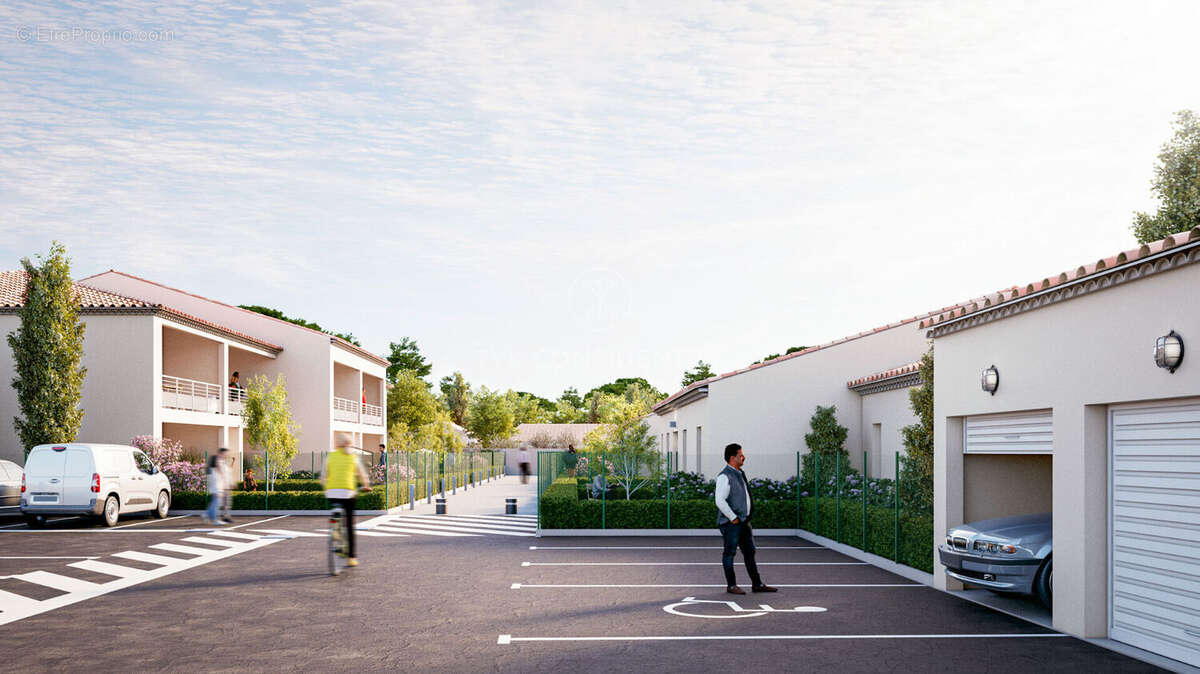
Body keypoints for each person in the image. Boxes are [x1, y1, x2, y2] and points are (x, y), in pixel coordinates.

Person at [715, 443, 776, 595]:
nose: (744, 457)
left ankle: (757, 584)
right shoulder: (724, 476)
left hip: (744, 522)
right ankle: (731, 586)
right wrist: (733, 517)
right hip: (732, 523)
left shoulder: (740, 473)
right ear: (732, 458)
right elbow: (719, 500)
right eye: (740, 455)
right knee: (729, 553)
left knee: (750, 552)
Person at [322, 432, 371, 567]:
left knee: (336, 512)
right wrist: (366, 485)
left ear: (337, 444)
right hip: (348, 493)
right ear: (349, 444)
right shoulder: (353, 457)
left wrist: (326, 488)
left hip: (331, 493)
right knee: (349, 524)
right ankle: (351, 557)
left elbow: (323, 476)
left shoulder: (330, 456)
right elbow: (363, 475)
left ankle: (335, 530)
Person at [204, 447, 232, 525]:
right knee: (215, 504)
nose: (218, 462)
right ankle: (214, 519)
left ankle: (207, 515)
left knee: (215, 504)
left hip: (217, 489)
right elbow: (216, 481)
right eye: (217, 461)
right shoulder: (214, 471)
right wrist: (218, 490)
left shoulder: (211, 470)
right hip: (216, 489)